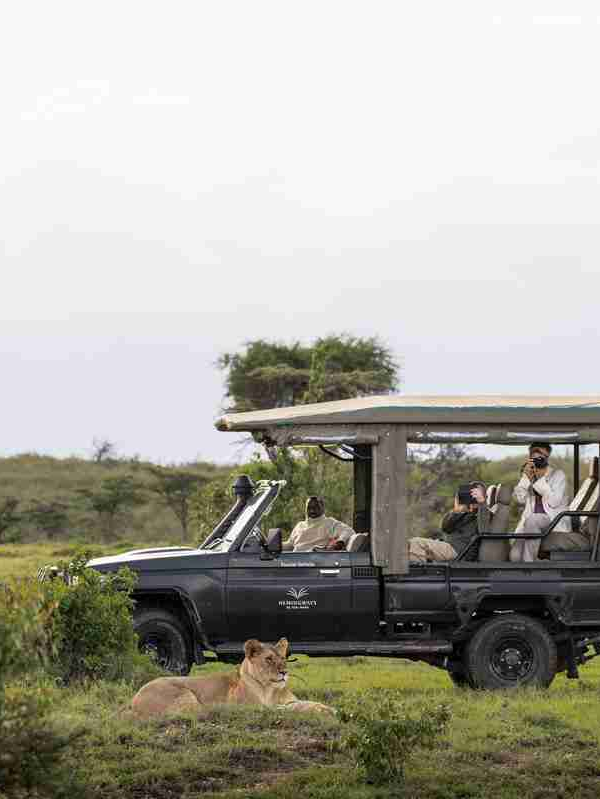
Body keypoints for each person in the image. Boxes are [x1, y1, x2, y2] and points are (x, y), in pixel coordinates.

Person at [510, 442, 571, 562]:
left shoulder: (558, 475)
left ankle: (529, 565)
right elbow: (519, 499)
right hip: (529, 524)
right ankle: (537, 563)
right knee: (514, 556)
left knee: (534, 519)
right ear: (530, 458)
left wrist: (541, 479)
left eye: (543, 457)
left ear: (548, 457)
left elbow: (554, 502)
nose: (540, 459)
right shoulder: (529, 473)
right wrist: (526, 478)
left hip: (552, 520)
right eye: (536, 457)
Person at [409, 481, 491, 563]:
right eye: (472, 493)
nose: (474, 496)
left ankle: (419, 570)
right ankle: (420, 569)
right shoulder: (465, 512)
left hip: (460, 551)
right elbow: (445, 528)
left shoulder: (487, 514)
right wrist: (456, 511)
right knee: (410, 547)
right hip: (448, 545)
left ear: (485, 496)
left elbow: (484, 531)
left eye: (477, 493)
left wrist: (482, 503)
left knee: (416, 543)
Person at [282, 496, 355, 552]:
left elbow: (349, 531)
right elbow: (290, 544)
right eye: (309, 508)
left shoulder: (329, 522)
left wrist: (339, 542)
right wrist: (277, 545)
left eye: (315, 507)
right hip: (295, 560)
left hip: (315, 559)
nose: (312, 510)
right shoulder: (300, 525)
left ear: (323, 508)